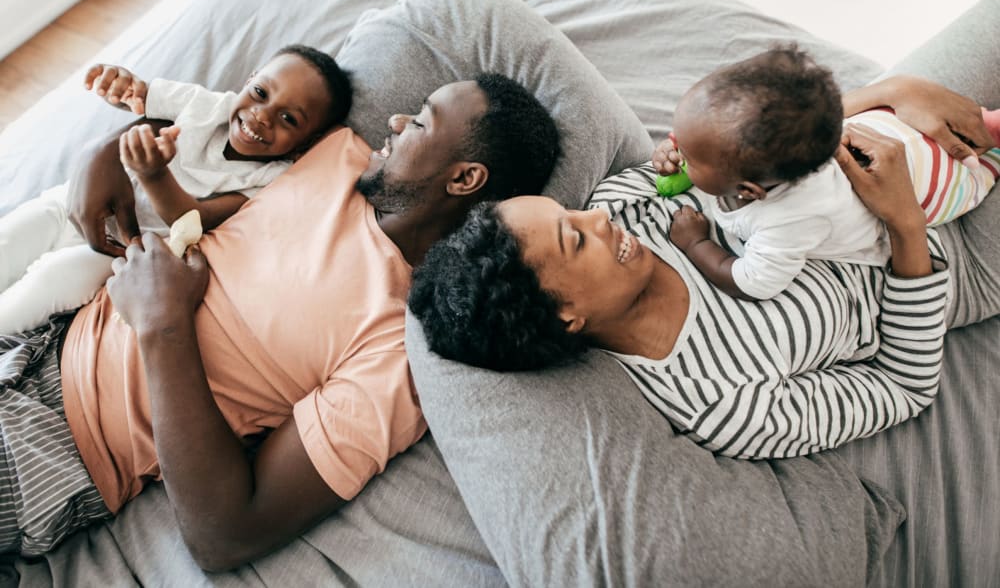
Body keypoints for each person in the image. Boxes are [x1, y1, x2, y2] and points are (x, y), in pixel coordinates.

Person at [0, 73, 560, 566]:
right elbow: (227, 118)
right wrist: (106, 153)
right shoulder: (340, 154)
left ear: (463, 180)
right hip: (45, 328)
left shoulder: (399, 348)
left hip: (54, 445)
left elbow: (226, 536)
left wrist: (163, 324)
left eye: (420, 121)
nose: (394, 118)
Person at [408, 76, 1000, 460]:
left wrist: (889, 94)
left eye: (570, 211)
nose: (597, 218)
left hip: (870, 143)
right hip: (952, 254)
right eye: (575, 239)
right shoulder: (721, 404)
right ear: (566, 315)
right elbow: (904, 386)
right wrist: (904, 225)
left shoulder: (624, 207)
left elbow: (744, 157)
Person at [0, 45, 353, 333]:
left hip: (117, 252)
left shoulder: (269, 180)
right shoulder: (204, 104)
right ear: (249, 80)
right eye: (260, 93)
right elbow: (139, 96)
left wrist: (154, 175)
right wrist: (117, 84)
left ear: (308, 142)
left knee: (50, 281)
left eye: (289, 119)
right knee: (11, 241)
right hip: (67, 205)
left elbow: (194, 219)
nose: (262, 116)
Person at [651, 45, 1000, 300]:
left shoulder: (789, 220)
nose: (675, 147)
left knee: (982, 167)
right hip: (884, 127)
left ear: (750, 190)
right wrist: (683, 152)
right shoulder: (788, 148)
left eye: (689, 155)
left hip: (933, 187)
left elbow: (752, 282)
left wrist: (696, 243)